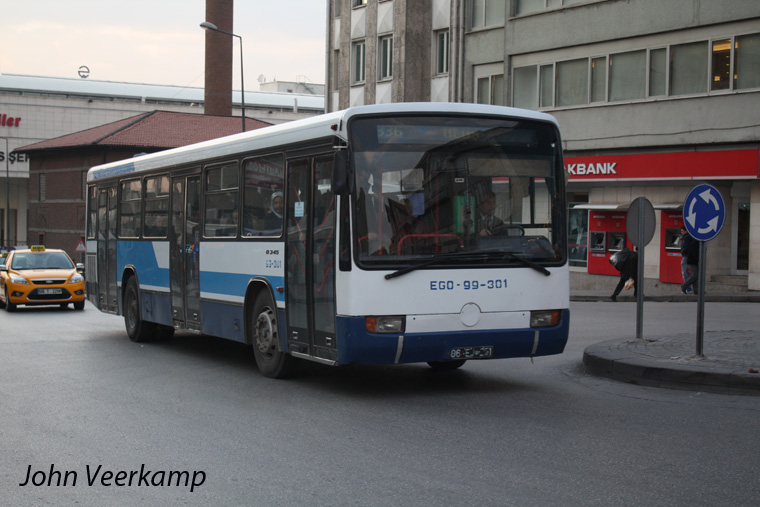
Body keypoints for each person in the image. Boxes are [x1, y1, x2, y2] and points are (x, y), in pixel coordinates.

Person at [681, 229, 700, 295]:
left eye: (682, 231)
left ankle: (696, 291)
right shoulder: (693, 241)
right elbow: (693, 252)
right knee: (695, 275)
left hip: (691, 260)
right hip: (692, 261)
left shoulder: (690, 239)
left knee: (695, 275)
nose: (681, 232)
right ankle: (684, 286)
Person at [679, 227, 693, 294]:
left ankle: (688, 288)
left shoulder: (687, 238)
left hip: (686, 256)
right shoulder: (688, 237)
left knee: (685, 272)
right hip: (689, 256)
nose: (681, 232)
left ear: (686, 231)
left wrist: (682, 251)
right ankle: (689, 288)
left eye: (682, 231)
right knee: (690, 273)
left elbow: (686, 247)